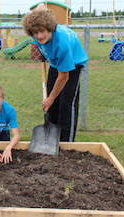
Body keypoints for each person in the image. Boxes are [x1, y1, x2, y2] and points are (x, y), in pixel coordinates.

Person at [22, 4, 88, 142]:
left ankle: (66, 143)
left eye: (42, 31)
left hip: (73, 65)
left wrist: (50, 98)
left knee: (66, 104)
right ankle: (52, 139)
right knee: (52, 105)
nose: (39, 36)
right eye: (35, 32)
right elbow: (40, 6)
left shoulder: (61, 43)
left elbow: (64, 76)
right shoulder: (37, 33)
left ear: (50, 28)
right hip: (56, 63)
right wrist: (51, 99)